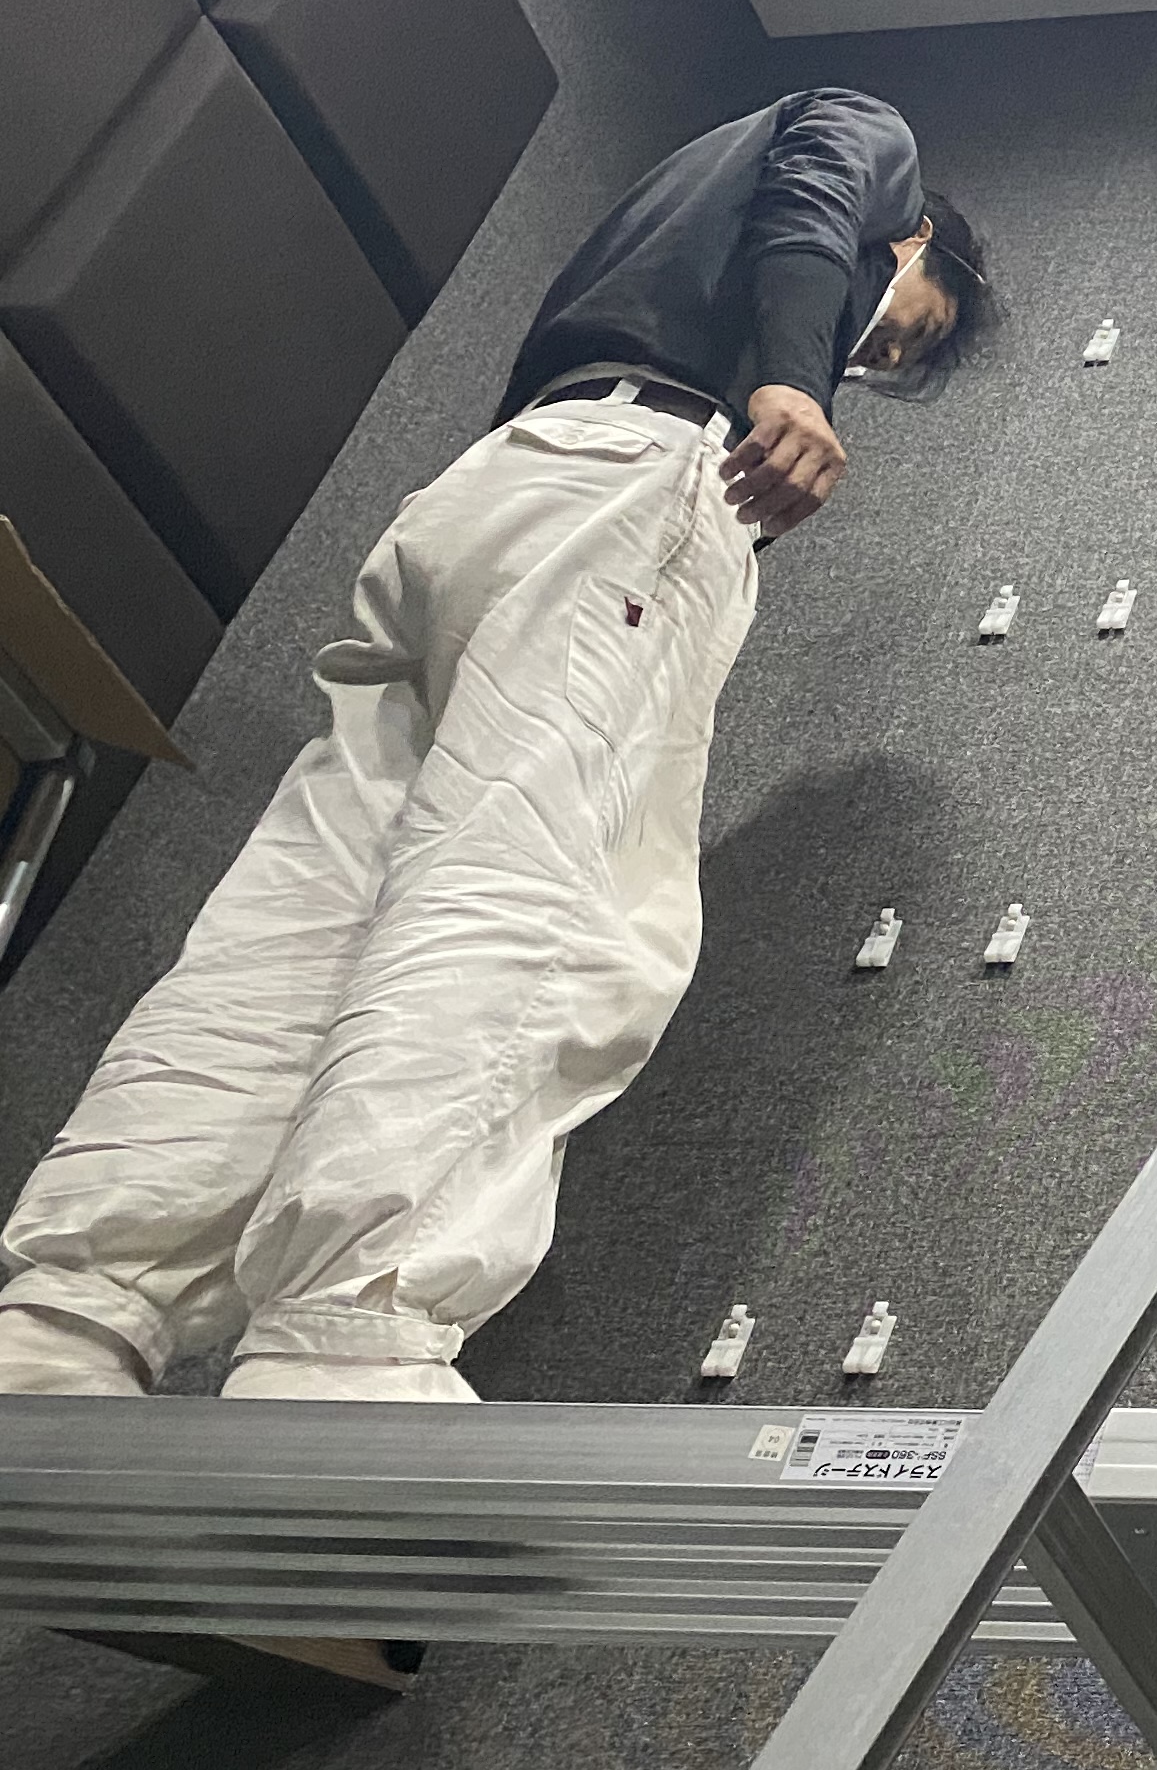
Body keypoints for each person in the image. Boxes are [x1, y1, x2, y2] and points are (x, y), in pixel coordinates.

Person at [0, 88, 989, 1404]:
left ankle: (68, 1319)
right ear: (913, 241)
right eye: (904, 329)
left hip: (493, 489)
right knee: (537, 887)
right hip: (640, 481)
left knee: (312, 916)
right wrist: (794, 381)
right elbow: (815, 198)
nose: (873, 357)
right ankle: (350, 1343)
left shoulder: (659, 232)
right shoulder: (867, 141)